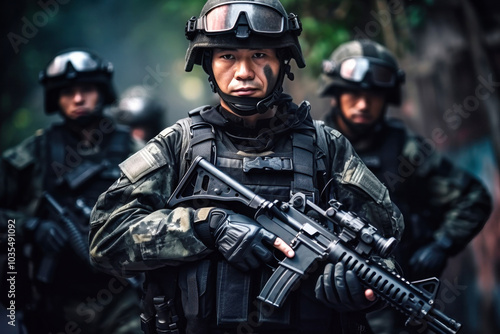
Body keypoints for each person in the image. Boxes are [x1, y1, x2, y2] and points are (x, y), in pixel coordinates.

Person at [89, 1, 404, 333]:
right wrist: (204, 226)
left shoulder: (327, 147)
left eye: (259, 56)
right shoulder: (177, 145)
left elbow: (387, 250)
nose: (243, 72)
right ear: (208, 63)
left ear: (283, 62)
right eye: (228, 56)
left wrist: (356, 286)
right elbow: (106, 238)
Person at [318, 39, 492, 333]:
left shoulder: (403, 149)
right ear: (335, 94)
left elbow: (472, 197)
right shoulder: (311, 145)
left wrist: (442, 244)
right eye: (353, 93)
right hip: (322, 294)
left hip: (392, 294)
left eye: (375, 95)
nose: (363, 103)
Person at [0, 49, 143, 333]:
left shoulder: (134, 150)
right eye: (67, 92)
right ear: (56, 98)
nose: (78, 99)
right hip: (54, 302)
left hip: (122, 297)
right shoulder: (33, 153)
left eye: (86, 89)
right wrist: (30, 227)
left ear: (102, 91)